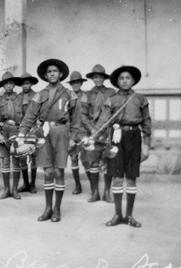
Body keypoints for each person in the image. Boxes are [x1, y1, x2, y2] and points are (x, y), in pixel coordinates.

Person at [19, 59, 80, 222]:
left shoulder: (69, 93)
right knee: (47, 171)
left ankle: (57, 209)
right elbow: (29, 116)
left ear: (60, 74)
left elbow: (76, 118)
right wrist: (21, 134)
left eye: (55, 71)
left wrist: (74, 138)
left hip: (61, 132)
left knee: (59, 171)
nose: (52, 73)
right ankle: (47, 208)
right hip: (43, 133)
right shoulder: (41, 94)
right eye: (49, 72)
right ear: (45, 76)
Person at [99, 65, 151, 228]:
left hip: (134, 138)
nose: (124, 81)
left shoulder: (141, 99)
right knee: (117, 177)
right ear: (117, 81)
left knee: (131, 177)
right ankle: (117, 215)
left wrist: (147, 145)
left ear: (133, 80)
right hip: (116, 138)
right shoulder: (111, 100)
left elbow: (147, 122)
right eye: (121, 78)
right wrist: (102, 142)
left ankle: (129, 216)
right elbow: (103, 122)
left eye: (127, 78)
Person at [83, 64, 117, 203]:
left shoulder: (111, 92)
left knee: (108, 162)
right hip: (93, 132)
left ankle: (107, 192)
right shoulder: (87, 95)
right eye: (95, 77)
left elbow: (115, 110)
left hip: (108, 132)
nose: (98, 79)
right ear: (92, 78)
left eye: (100, 77)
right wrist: (92, 129)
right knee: (93, 163)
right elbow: (83, 115)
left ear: (104, 78)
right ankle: (95, 192)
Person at [0, 72, 24, 200]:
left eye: (11, 83)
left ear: (14, 84)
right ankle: (6, 189)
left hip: (16, 130)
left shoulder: (20, 98)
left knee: (16, 160)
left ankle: (14, 189)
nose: (8, 85)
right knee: (5, 161)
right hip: (3, 131)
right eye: (6, 83)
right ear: (3, 85)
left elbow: (26, 116)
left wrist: (22, 133)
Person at [65, 71, 89, 194]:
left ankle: (93, 187)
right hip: (73, 132)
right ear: (71, 84)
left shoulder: (86, 96)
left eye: (78, 82)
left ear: (81, 83)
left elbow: (90, 114)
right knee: (74, 158)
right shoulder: (68, 96)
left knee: (87, 159)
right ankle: (78, 185)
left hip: (85, 132)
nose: (76, 85)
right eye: (73, 83)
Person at [17, 72, 40, 194]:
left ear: (31, 83)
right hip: (21, 130)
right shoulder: (18, 97)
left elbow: (40, 113)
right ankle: (25, 183)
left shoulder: (37, 96)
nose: (25, 86)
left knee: (33, 157)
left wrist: (36, 126)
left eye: (27, 83)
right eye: (23, 83)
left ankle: (33, 184)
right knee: (22, 156)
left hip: (33, 130)